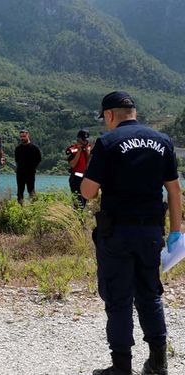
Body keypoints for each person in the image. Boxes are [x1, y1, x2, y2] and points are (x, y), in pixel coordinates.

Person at [81, 91, 182, 375]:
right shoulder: (163, 142)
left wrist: (83, 184)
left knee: (118, 298)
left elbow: (88, 192)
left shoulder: (107, 142)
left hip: (117, 233)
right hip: (151, 232)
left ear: (110, 115)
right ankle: (158, 363)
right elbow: (174, 191)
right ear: (133, 112)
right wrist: (176, 232)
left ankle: (121, 367)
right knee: (150, 295)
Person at [14, 129, 41, 205]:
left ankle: (34, 207)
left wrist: (33, 167)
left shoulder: (34, 148)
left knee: (31, 191)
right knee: (20, 192)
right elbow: (16, 160)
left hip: (30, 173)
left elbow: (39, 159)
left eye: (24, 136)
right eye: (21, 136)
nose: (22, 138)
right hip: (20, 173)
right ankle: (20, 208)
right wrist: (17, 168)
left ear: (28, 135)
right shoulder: (18, 148)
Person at [66, 129, 91, 209]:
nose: (85, 141)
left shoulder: (90, 149)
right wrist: (79, 152)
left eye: (86, 139)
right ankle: (77, 219)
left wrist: (87, 151)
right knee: (78, 203)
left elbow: (91, 162)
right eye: (83, 139)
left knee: (84, 203)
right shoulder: (73, 149)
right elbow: (72, 164)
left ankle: (80, 219)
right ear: (79, 139)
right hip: (76, 179)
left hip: (86, 179)